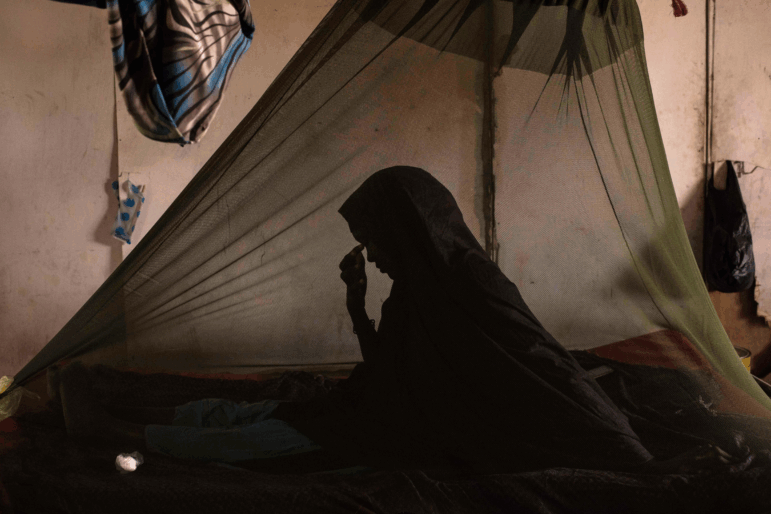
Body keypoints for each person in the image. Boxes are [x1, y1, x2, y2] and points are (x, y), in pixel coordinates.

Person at [57, 166, 733, 474]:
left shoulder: (471, 286)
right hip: (386, 409)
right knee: (263, 411)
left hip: (411, 429)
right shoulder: (415, 289)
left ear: (407, 233)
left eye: (374, 241)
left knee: (264, 437)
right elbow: (389, 373)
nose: (372, 256)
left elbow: (540, 367)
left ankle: (125, 433)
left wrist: (624, 452)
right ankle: (130, 413)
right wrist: (357, 308)